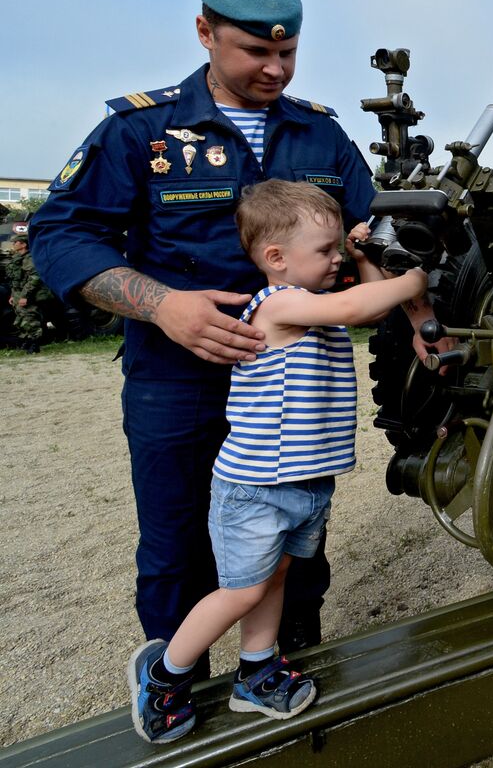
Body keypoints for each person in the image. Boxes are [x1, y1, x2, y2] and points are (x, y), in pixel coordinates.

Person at [31, 0, 448, 667]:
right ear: (204, 32)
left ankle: (283, 665)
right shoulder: (143, 130)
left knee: (292, 538)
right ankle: (173, 687)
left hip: (295, 385)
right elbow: (61, 235)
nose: (275, 67)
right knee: (176, 543)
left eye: (287, 52)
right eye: (256, 51)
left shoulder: (319, 135)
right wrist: (163, 305)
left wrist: (419, 319)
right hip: (180, 376)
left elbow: (377, 231)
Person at [129, 180, 431, 742]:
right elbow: (354, 306)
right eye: (325, 250)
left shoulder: (314, 303)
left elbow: (361, 312)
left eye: (339, 247)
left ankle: (256, 669)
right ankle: (164, 675)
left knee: (275, 580)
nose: (336, 257)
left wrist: (366, 259)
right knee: (242, 588)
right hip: (257, 486)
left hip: (304, 481)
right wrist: (410, 281)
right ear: (276, 259)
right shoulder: (281, 304)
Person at [5, 236, 53, 353]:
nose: (13, 244)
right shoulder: (17, 258)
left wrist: (25, 296)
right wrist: (13, 295)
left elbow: (34, 278)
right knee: (21, 319)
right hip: (18, 293)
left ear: (23, 244)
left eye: (16, 242)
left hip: (28, 294)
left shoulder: (30, 259)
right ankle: (27, 341)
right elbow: (15, 280)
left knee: (30, 319)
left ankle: (35, 344)